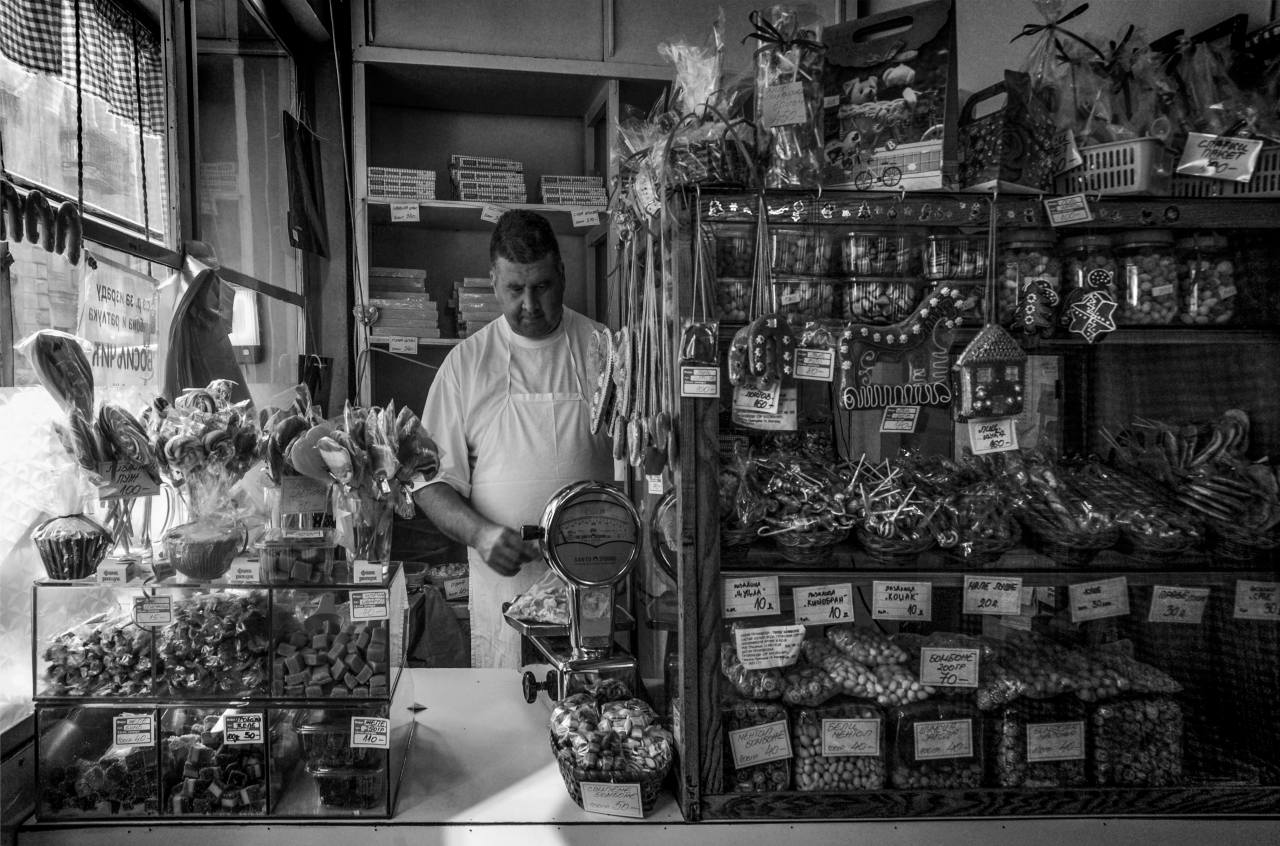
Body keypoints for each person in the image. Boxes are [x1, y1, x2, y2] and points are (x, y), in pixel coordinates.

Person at [415, 210, 613, 668]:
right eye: (514, 289)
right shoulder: (467, 363)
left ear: (562, 274)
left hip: (596, 582)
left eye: (541, 286)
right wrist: (480, 534)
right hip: (508, 588)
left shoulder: (602, 348)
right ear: (492, 281)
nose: (529, 304)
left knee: (597, 727)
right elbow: (429, 482)